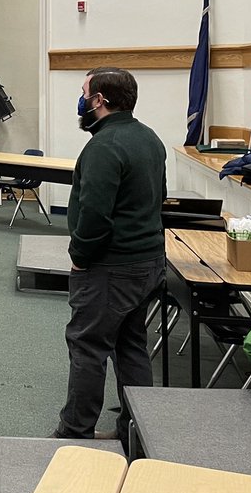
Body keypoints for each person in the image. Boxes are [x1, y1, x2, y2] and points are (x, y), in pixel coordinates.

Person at [52, 67, 166, 444]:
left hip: (110, 267)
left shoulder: (103, 146)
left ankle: (75, 431)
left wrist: (80, 256)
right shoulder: (149, 138)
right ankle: (135, 432)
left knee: (88, 346)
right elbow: (157, 199)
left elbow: (95, 215)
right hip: (146, 262)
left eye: (85, 93)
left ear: (99, 100)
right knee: (130, 346)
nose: (82, 100)